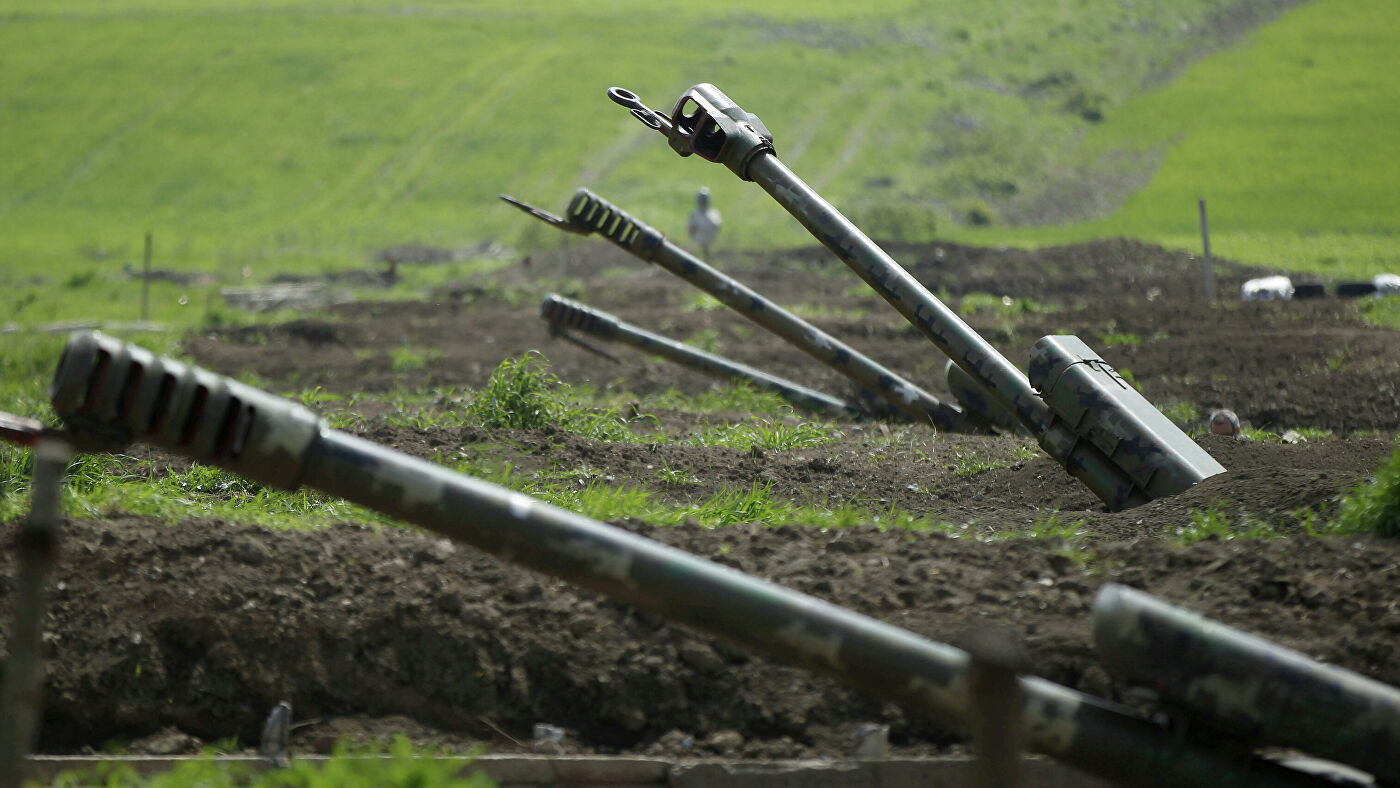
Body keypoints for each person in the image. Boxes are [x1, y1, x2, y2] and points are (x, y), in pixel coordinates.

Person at [687, 187, 721, 259]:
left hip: (710, 241)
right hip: (698, 242)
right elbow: (691, 229)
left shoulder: (714, 213)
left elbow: (717, 227)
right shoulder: (694, 214)